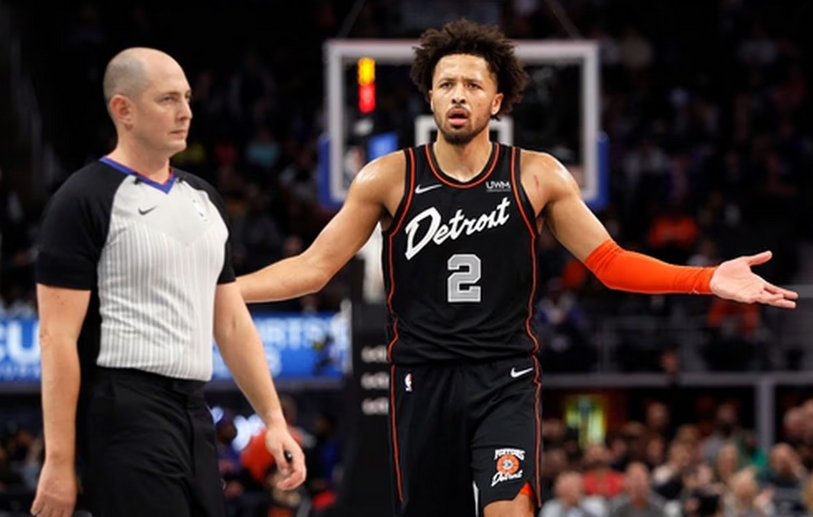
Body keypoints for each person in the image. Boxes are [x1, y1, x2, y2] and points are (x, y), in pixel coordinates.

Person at [237, 19, 797, 517]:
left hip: (503, 377)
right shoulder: (388, 177)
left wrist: (706, 278)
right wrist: (224, 289)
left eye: (473, 84)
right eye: (446, 84)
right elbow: (314, 268)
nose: (459, 94)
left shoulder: (536, 174)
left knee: (510, 507)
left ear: (497, 101)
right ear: (430, 97)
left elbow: (610, 263)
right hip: (422, 378)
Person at [31, 47, 306, 517]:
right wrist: (58, 461)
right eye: (167, 99)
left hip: (193, 411)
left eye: (187, 98)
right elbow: (56, 338)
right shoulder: (82, 199)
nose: (186, 112)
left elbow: (231, 323)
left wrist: (274, 420)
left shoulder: (205, 198)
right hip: (122, 411)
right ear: (123, 110)